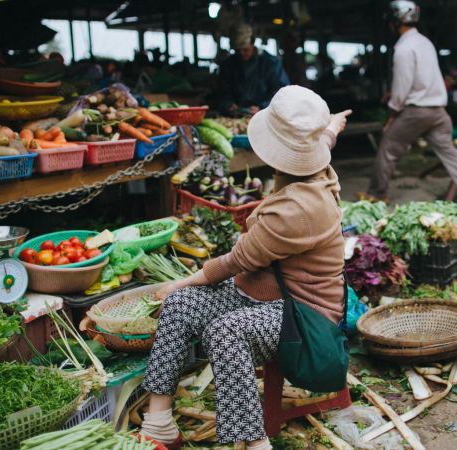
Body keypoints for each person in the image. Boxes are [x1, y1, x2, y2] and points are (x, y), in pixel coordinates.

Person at [140, 85, 352, 450]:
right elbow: (321, 144)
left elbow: (236, 261)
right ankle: (158, 420)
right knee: (181, 306)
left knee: (225, 331)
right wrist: (330, 127)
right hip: (259, 293)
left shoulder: (297, 211)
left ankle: (255, 444)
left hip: (302, 314)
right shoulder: (315, 167)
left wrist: (177, 282)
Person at [363, 0, 457, 217]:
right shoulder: (425, 43)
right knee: (452, 155)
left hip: (416, 112)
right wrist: (396, 96)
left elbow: (403, 88)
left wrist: (392, 115)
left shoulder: (403, 49)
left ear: (394, 21)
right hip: (438, 112)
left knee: (388, 147)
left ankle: (377, 194)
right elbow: (422, 79)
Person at [217, 24, 290, 117]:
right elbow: (223, 91)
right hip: (236, 116)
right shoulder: (228, 65)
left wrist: (263, 107)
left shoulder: (271, 63)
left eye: (245, 50)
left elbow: (282, 92)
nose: (242, 53)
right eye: (237, 51)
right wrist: (228, 104)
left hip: (265, 116)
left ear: (253, 43)